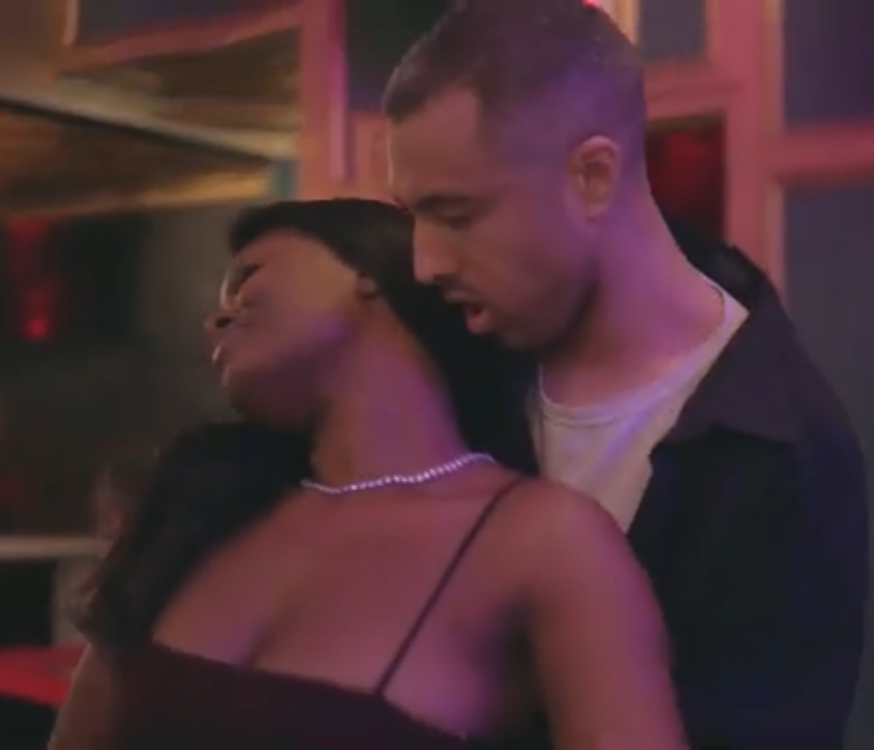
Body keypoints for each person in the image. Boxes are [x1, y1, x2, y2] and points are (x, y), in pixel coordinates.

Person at [382, 1, 869, 748]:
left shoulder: (784, 462)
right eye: (413, 216)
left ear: (592, 176)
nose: (426, 262)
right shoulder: (448, 365)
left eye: (456, 214)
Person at [50, 199, 685, 749]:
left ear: (371, 275)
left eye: (247, 278)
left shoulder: (542, 536)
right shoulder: (195, 512)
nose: (216, 317)